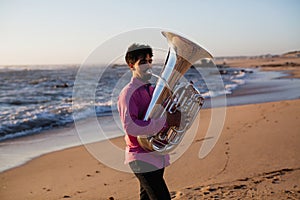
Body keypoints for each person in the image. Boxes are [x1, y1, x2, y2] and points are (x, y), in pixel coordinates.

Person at [117, 43, 181, 200]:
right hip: (141, 157)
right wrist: (165, 121)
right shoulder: (128, 93)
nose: (149, 65)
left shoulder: (152, 90)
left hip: (156, 153)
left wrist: (175, 106)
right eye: (143, 62)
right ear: (131, 65)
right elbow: (130, 126)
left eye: (150, 60)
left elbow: (166, 115)